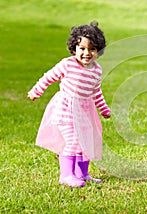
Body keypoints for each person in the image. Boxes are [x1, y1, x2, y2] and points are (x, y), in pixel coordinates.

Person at [28, 21, 111, 188]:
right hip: (66, 109)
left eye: (92, 49)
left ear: (98, 51)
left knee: (85, 142)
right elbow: (48, 77)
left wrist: (103, 108)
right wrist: (36, 91)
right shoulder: (68, 64)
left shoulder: (96, 70)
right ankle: (66, 175)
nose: (87, 53)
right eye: (82, 48)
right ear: (74, 49)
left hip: (85, 112)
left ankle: (82, 174)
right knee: (72, 141)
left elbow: (96, 91)